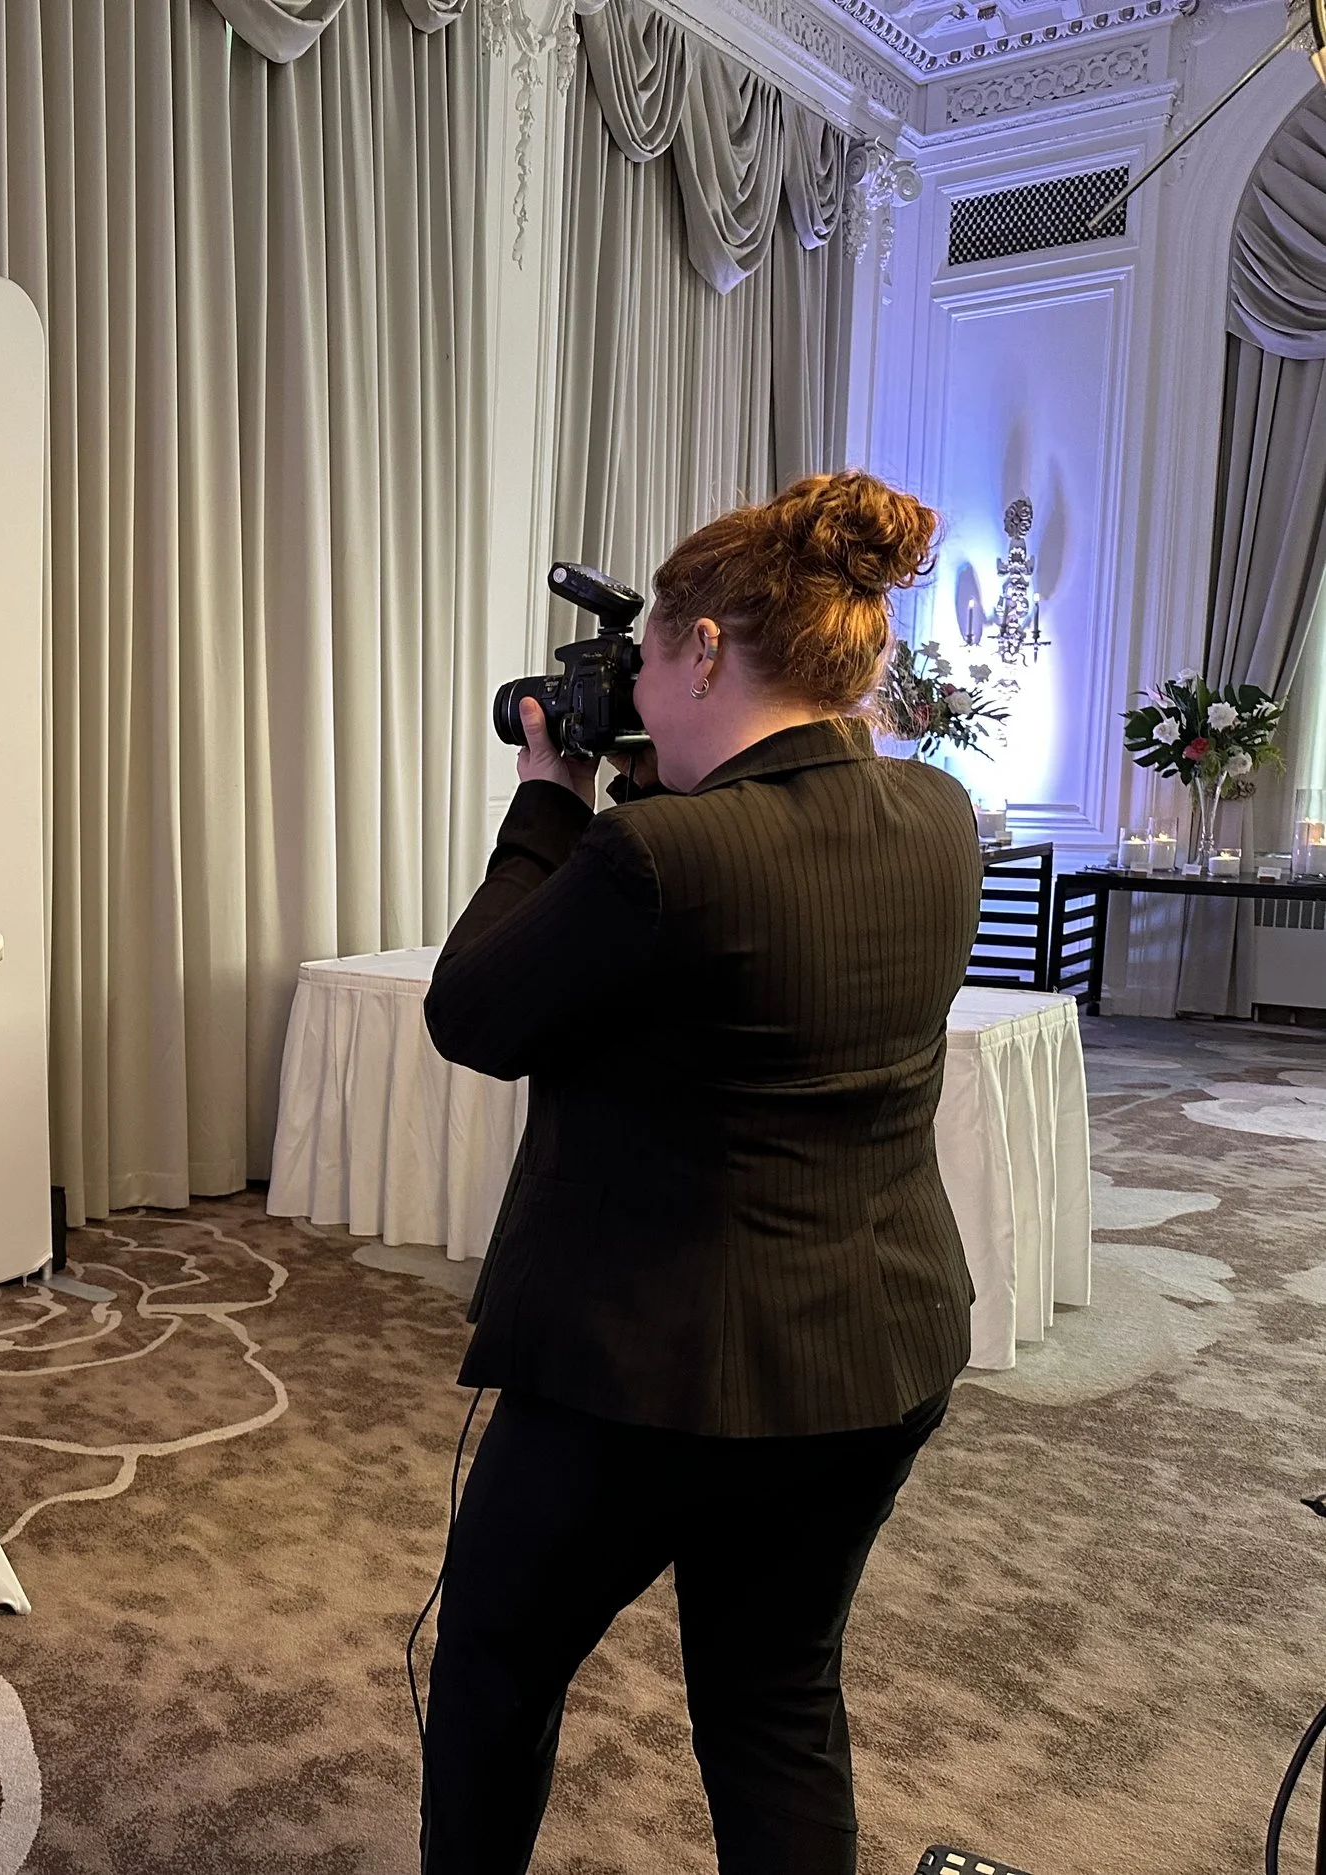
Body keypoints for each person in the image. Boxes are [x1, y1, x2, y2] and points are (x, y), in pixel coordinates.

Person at [418, 472, 980, 1874]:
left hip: (651, 1373)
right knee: (774, 1699)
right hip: (876, 1354)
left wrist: (545, 805)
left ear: (707, 650)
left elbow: (472, 1014)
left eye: (650, 661)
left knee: (494, 1664)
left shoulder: (654, 855)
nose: (637, 693)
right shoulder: (937, 811)